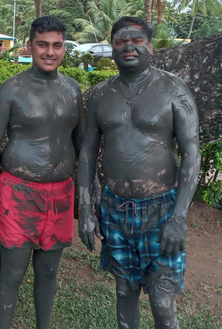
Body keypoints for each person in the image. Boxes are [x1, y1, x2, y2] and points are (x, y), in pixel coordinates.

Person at [78, 17, 201, 329]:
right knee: (124, 291)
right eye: (120, 42)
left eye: (136, 40)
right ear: (112, 49)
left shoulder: (173, 89)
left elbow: (191, 153)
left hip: (161, 208)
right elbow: (88, 151)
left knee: (162, 301)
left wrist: (179, 216)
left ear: (150, 46)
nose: (128, 46)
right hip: (114, 208)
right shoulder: (101, 94)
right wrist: (85, 206)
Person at [0, 15, 84, 329]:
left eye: (56, 45)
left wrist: (84, 196)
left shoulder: (74, 89)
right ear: (30, 46)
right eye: (43, 45)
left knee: (49, 271)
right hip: (18, 191)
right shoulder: (12, 89)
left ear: (64, 48)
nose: (50, 52)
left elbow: (80, 146)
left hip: (60, 193)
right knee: (12, 272)